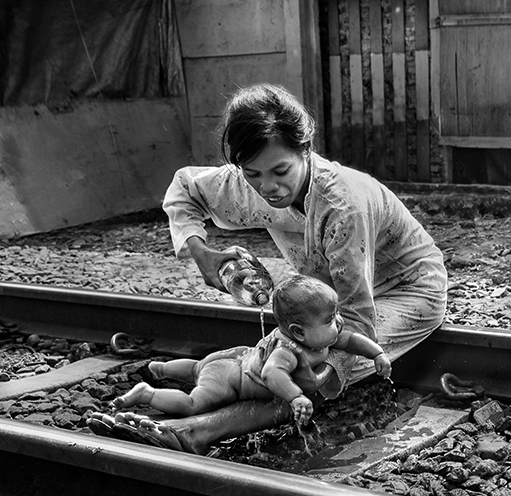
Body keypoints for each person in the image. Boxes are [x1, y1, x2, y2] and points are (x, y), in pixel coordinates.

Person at [88, 83, 447, 454]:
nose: (268, 187)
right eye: (253, 174)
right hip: (326, 298)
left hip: (408, 290)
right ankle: (207, 395)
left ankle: (196, 431)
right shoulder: (251, 183)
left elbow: (356, 316)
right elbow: (186, 189)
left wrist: (312, 373)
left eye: (280, 171)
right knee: (275, 359)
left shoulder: (343, 207)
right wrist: (202, 253)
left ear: (306, 150)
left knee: (303, 366)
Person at [108, 275, 391, 427]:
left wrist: (377, 354)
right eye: (330, 319)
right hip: (228, 381)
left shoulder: (319, 337)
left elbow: (352, 340)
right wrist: (295, 397)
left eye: (337, 313)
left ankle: (162, 368)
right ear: (298, 332)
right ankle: (149, 393)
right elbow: (271, 374)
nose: (339, 322)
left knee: (197, 368)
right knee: (194, 403)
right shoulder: (287, 351)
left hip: (233, 358)